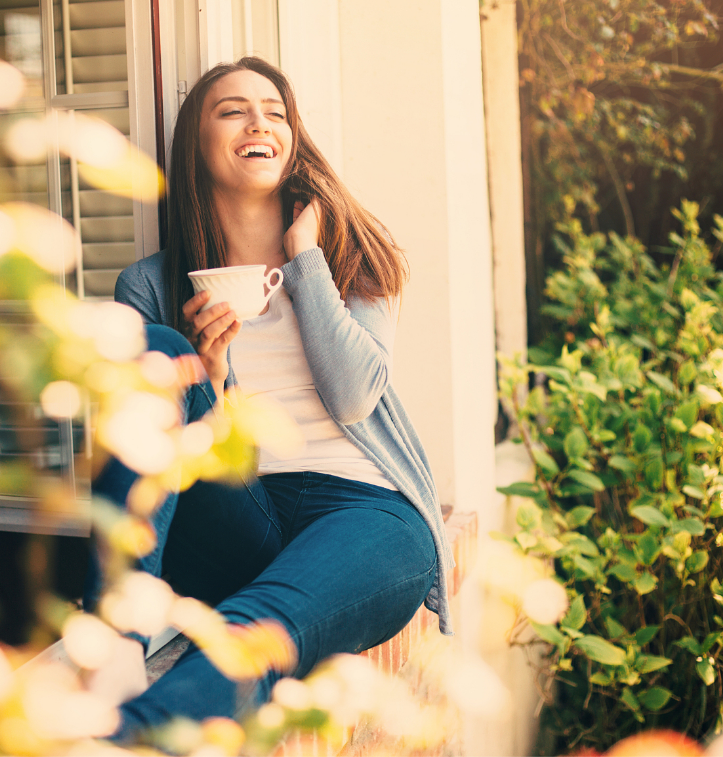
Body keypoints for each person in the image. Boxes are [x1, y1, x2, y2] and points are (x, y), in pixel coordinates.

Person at [94, 56, 454, 741]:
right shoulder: (147, 284)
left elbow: (353, 397)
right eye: (232, 110)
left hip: (365, 512)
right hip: (242, 508)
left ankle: (126, 741)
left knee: (262, 623)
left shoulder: (352, 254)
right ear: (195, 146)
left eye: (275, 111)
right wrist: (211, 372)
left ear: (292, 139)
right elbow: (181, 458)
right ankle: (115, 638)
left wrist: (306, 257)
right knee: (164, 353)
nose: (259, 122)